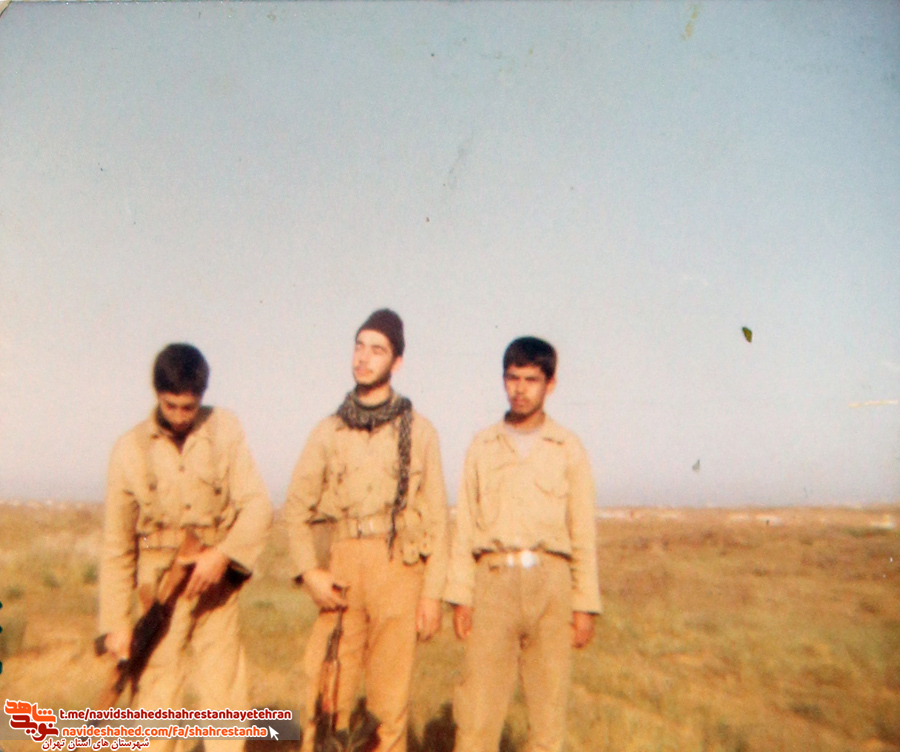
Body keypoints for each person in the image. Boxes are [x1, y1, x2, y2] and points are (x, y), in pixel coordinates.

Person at [285, 308, 449, 752]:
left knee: (388, 707)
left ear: (397, 362)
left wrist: (432, 595)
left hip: (399, 568)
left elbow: (438, 519)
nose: (363, 357)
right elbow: (295, 508)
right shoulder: (329, 430)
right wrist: (309, 572)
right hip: (342, 568)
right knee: (325, 695)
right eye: (359, 346)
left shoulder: (421, 432)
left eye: (377, 350)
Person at [99, 343, 272, 752]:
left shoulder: (225, 430)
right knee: (156, 706)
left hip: (215, 587)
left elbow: (257, 505)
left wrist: (223, 555)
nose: (179, 416)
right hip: (160, 593)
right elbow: (117, 544)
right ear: (157, 395)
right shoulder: (129, 450)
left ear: (201, 397)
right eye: (171, 406)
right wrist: (116, 623)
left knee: (225, 701)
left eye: (189, 408)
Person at [444, 336, 601, 752]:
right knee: (476, 715)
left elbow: (582, 532)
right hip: (493, 583)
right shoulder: (482, 446)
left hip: (551, 586)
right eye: (512, 378)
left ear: (550, 384)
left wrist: (585, 604)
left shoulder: (568, 448)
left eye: (531, 380)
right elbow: (465, 527)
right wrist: (461, 596)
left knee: (548, 719)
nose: (520, 389)